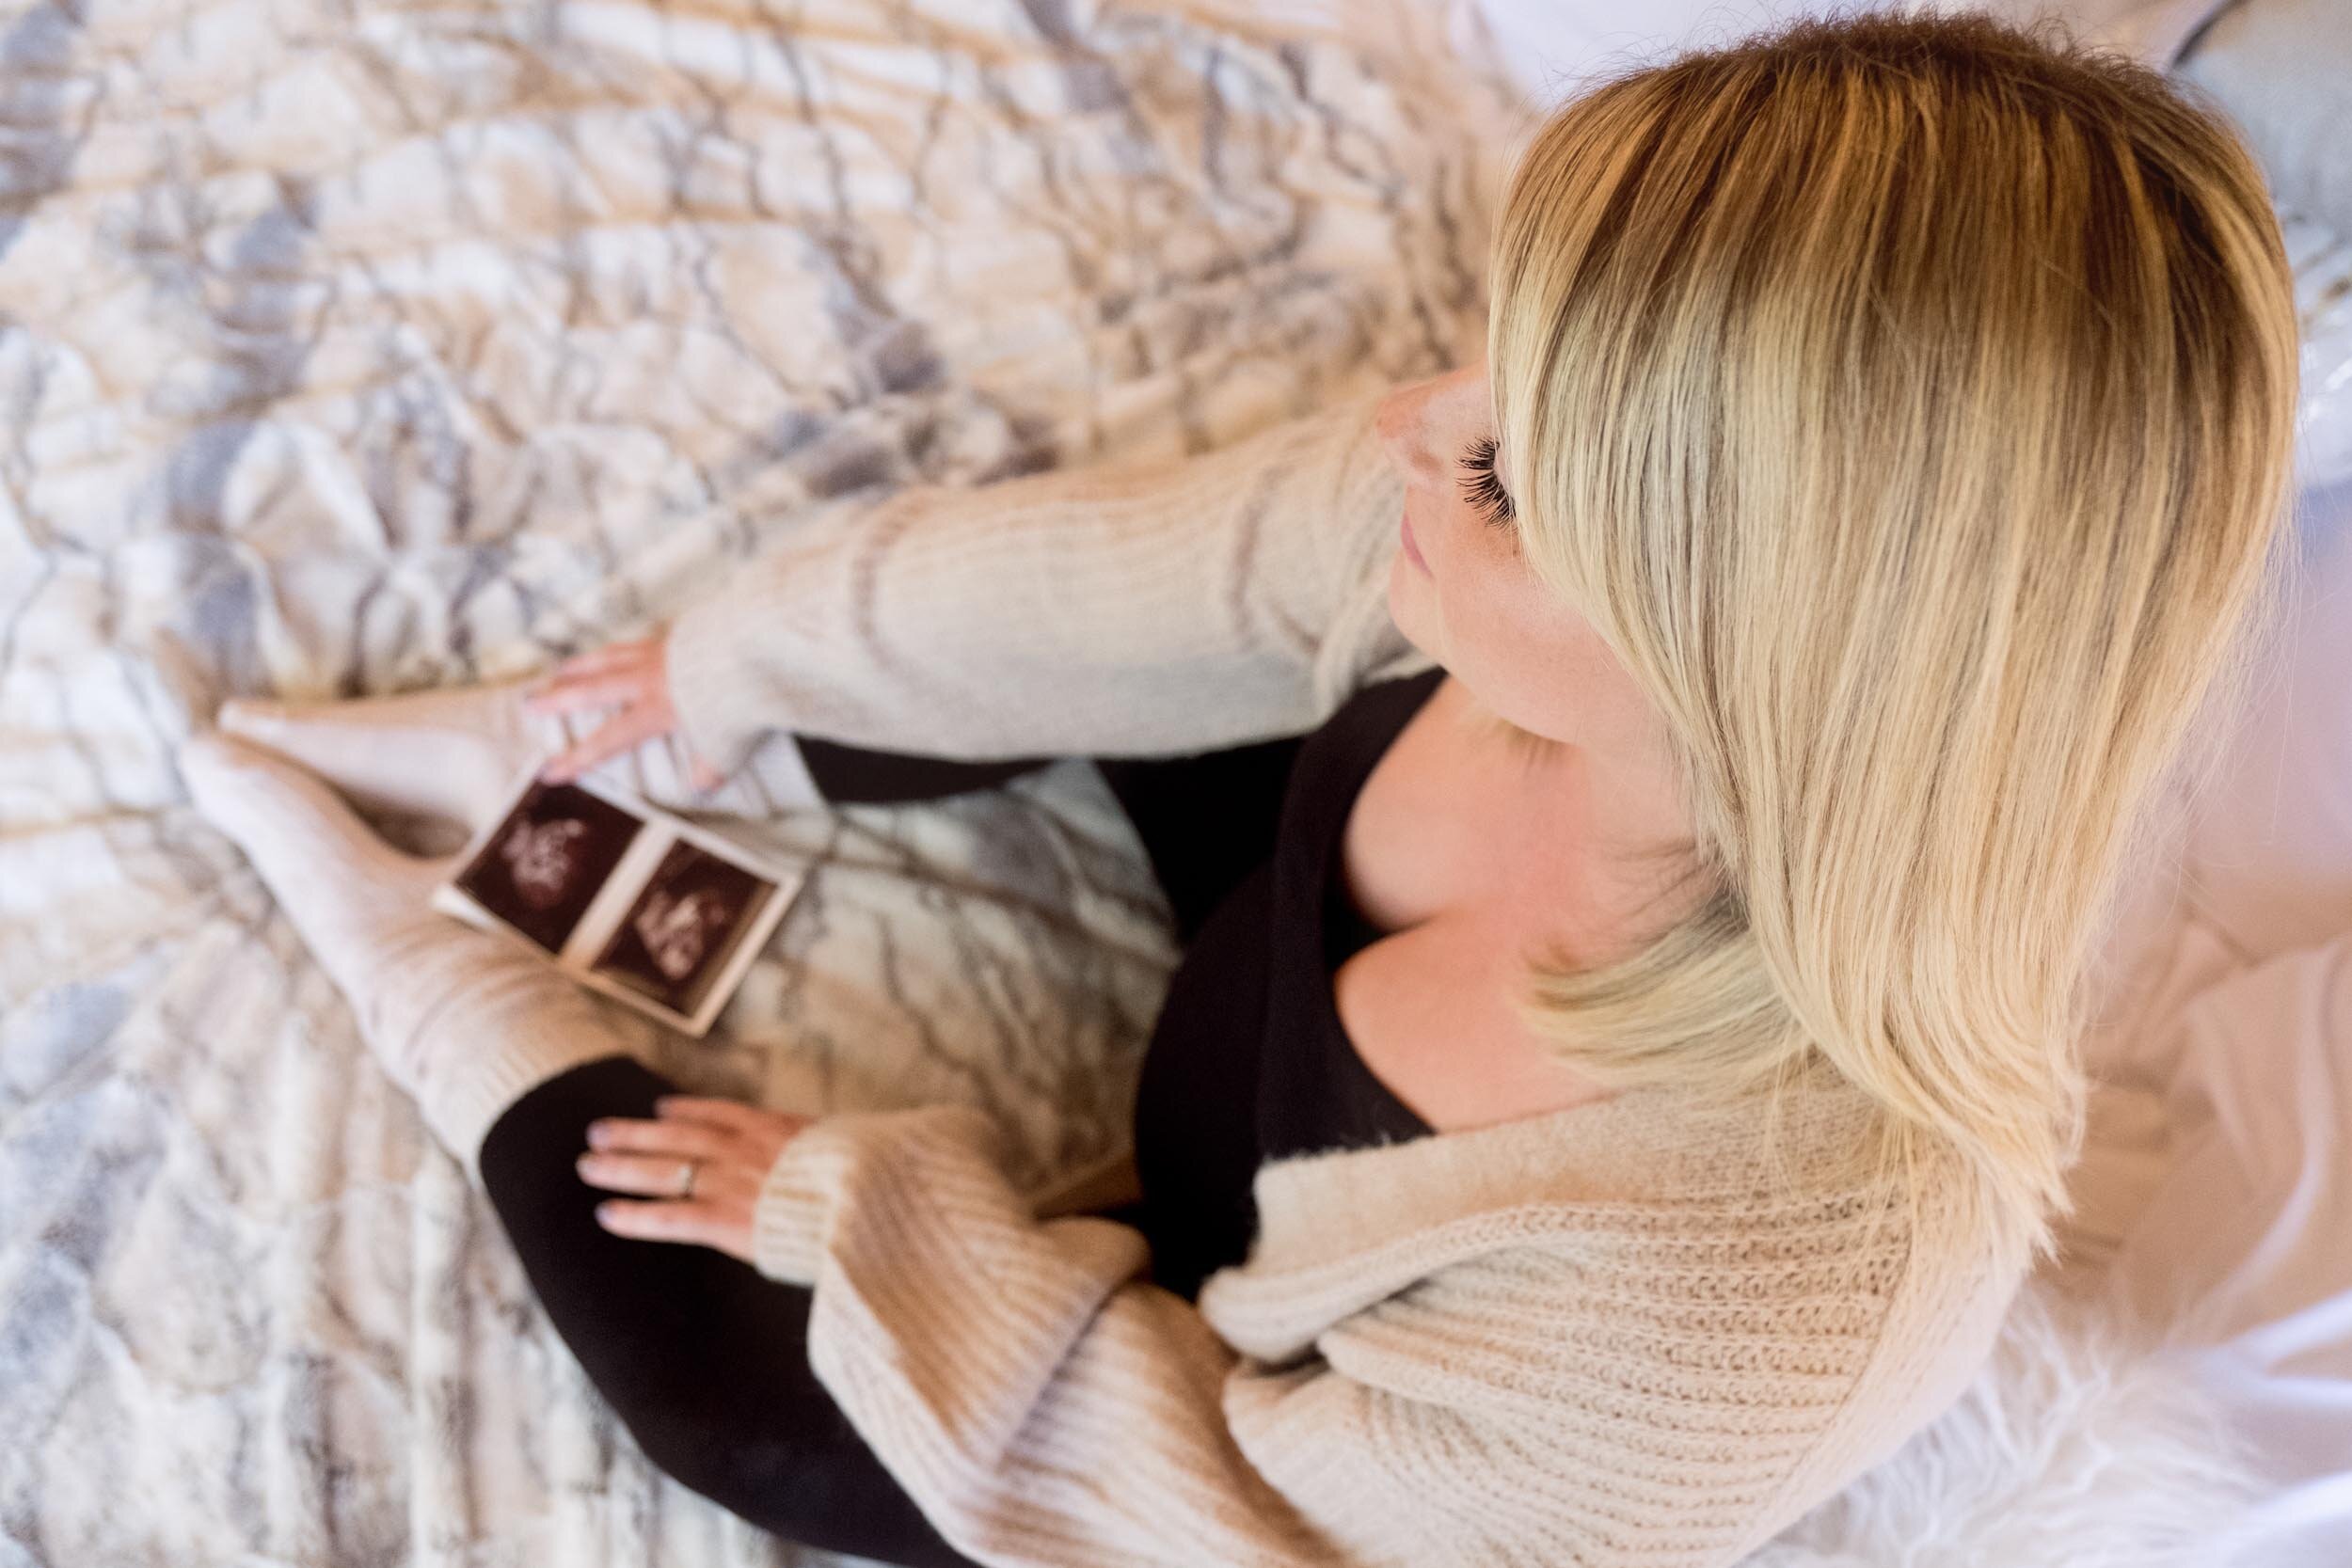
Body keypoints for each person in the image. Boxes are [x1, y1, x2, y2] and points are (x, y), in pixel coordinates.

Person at [171, 11, 2301, 1567]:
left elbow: (1248, 1517)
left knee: (731, 1404)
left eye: (1507, 462)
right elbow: (1131, 581)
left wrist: (867, 1217)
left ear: (1735, 641)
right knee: (1071, 631)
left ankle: (399, 952)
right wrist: (682, 690)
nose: (1408, 417)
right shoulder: (1498, 568)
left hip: (1268, 1347)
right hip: (1272, 988)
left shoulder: (1755, 1292)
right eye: (1497, 353)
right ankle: (525, 769)